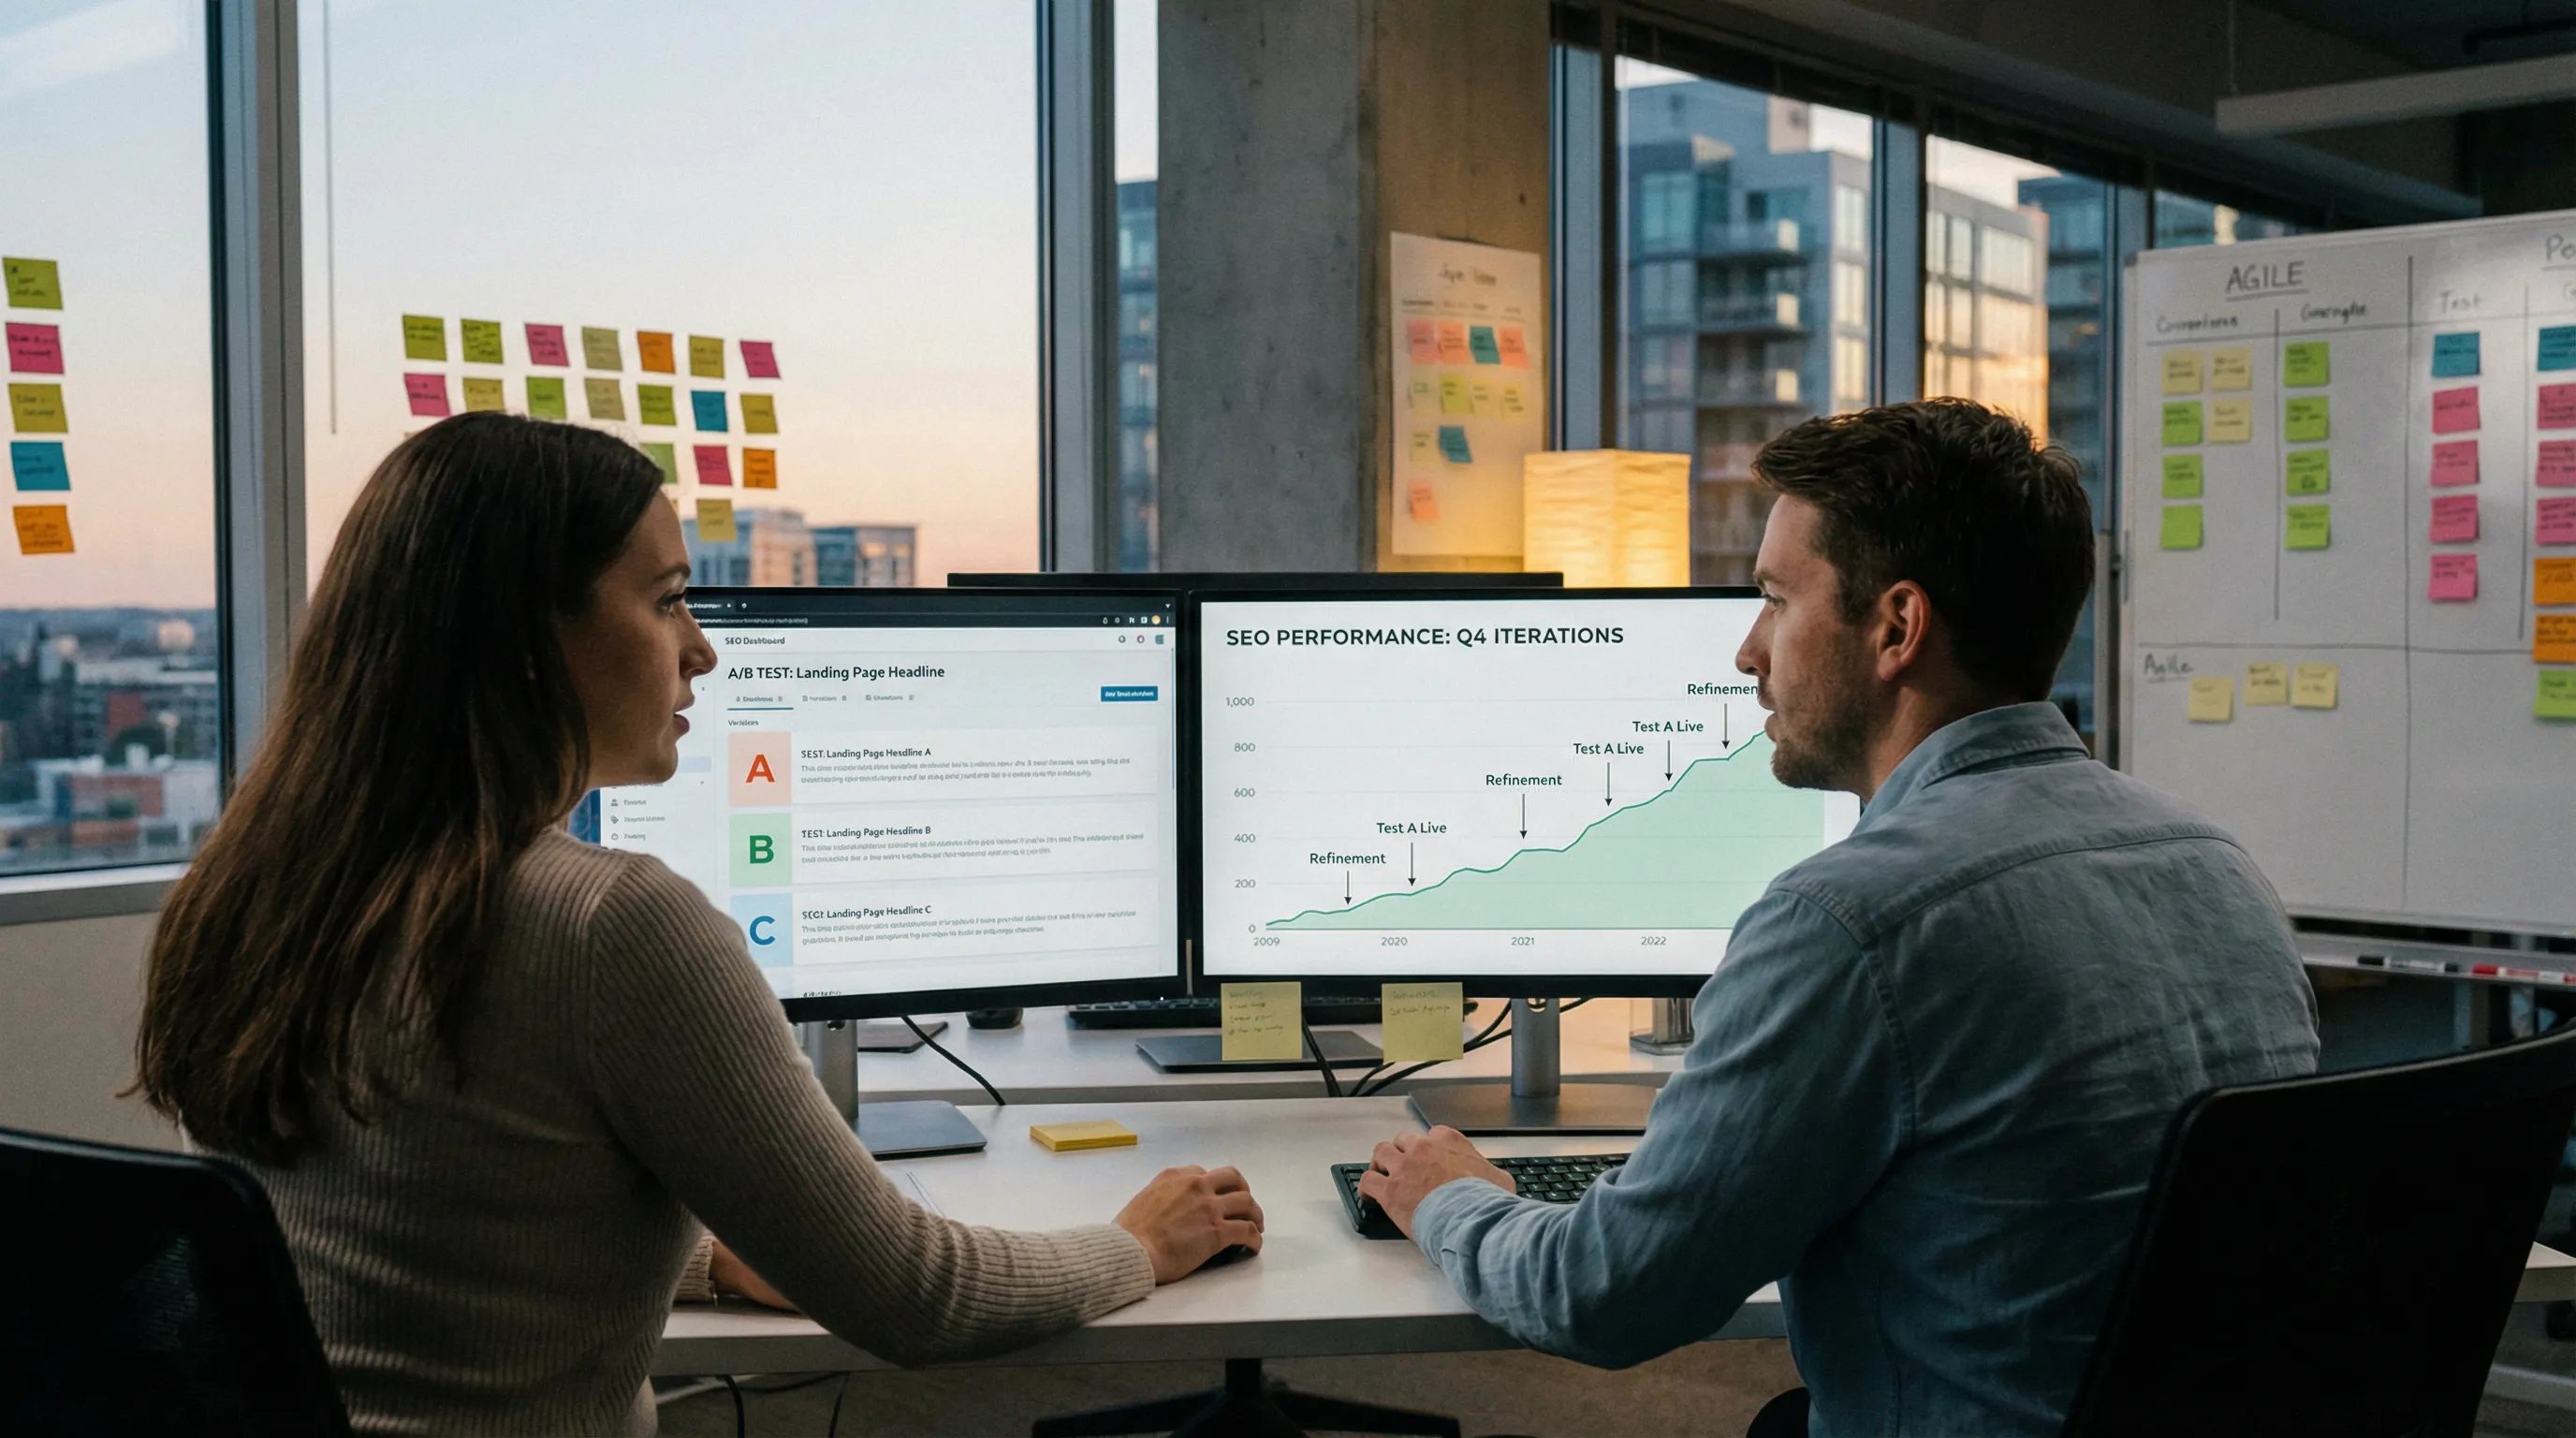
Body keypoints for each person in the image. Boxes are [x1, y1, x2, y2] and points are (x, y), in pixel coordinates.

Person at [132, 413, 1263, 1434]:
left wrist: (707, 1260)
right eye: (668, 598)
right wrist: (1137, 1244)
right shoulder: (608, 925)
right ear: (529, 639)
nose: (704, 650)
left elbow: (420, 1223)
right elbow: (920, 1299)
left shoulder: (251, 891)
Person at [1359, 398, 2320, 1436]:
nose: (1747, 650)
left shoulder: (1849, 923)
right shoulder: (2217, 868)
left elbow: (1604, 1296)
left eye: (1775, 599)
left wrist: (1448, 1194)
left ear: (1896, 628)